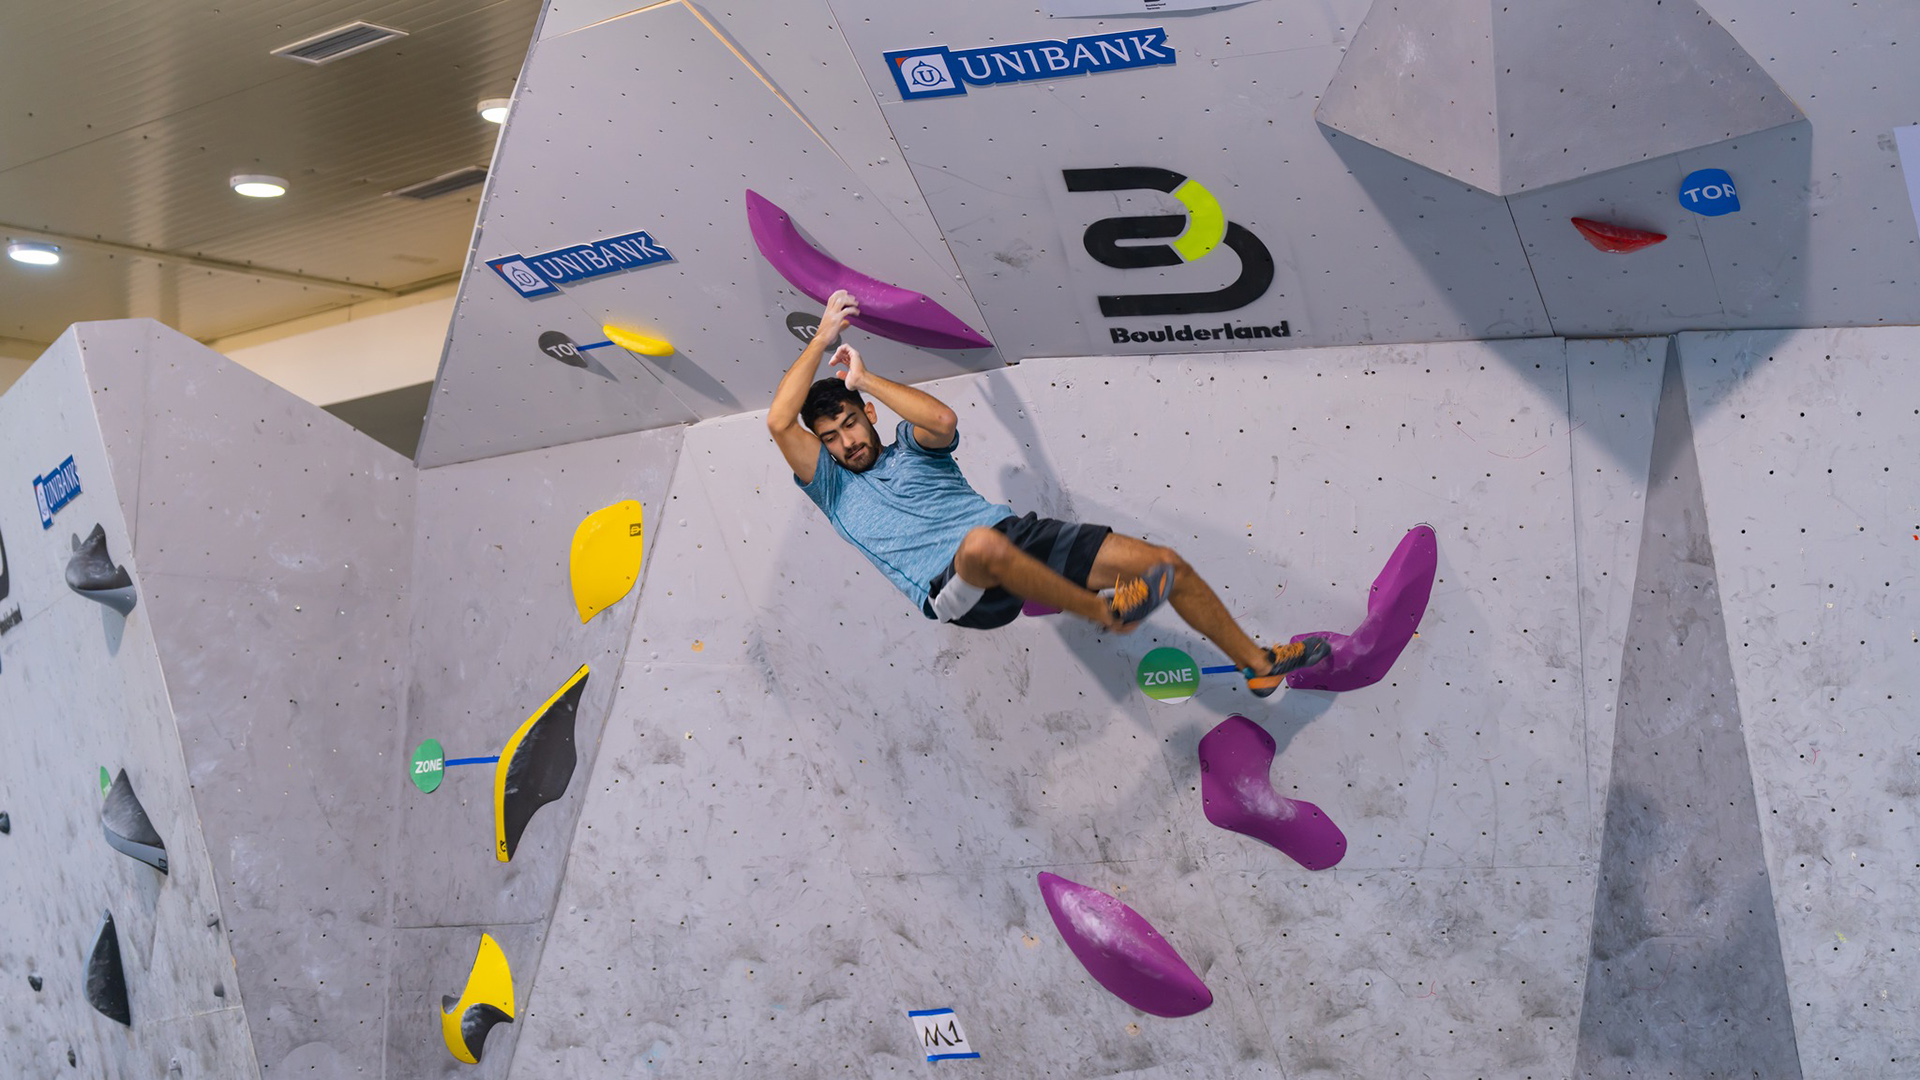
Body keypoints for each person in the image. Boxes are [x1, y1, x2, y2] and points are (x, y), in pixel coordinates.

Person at [766, 290, 1328, 696]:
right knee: (983, 546)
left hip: (1018, 538)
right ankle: (1104, 612)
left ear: (868, 414)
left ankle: (1258, 664)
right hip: (953, 588)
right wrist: (822, 339)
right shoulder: (832, 487)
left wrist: (863, 379)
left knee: (1165, 567)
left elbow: (942, 419)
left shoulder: (912, 447)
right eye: (831, 437)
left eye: (850, 424)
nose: (846, 442)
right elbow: (778, 421)